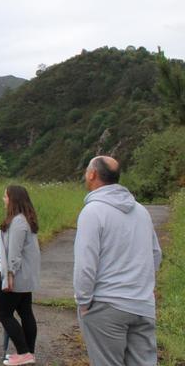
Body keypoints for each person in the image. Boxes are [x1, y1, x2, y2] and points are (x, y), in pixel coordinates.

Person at [75, 156, 162, 366]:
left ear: (92, 174)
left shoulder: (92, 211)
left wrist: (84, 302)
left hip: (107, 305)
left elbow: (86, 263)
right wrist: (142, 288)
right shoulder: (141, 211)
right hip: (142, 305)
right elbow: (155, 254)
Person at [0, 185, 41, 366]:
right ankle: (28, 353)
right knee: (25, 312)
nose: (3, 199)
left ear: (13, 199)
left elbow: (14, 252)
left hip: (15, 276)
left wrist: (10, 275)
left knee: (3, 313)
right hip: (24, 277)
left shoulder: (18, 222)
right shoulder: (24, 220)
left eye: (5, 196)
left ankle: (24, 352)